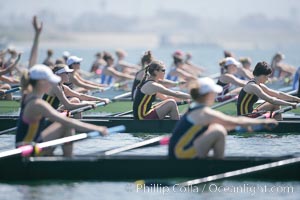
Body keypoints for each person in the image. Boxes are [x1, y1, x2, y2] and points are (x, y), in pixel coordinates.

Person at [169, 77, 277, 159]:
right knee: (218, 131)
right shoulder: (204, 112)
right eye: (213, 93)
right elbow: (235, 120)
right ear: (207, 94)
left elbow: (230, 124)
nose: (215, 95)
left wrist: (243, 127)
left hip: (178, 152)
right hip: (181, 155)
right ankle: (217, 166)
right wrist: (263, 122)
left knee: (217, 127)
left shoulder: (192, 108)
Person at [16, 64, 108, 157]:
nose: (51, 83)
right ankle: (67, 161)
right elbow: (66, 119)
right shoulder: (37, 104)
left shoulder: (27, 95)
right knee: (67, 125)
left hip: (30, 144)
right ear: (41, 82)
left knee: (67, 123)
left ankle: (57, 157)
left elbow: (80, 96)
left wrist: (100, 100)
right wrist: (97, 129)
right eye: (49, 81)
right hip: (26, 151)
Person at [43, 64, 110, 118]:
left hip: (54, 112)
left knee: (75, 100)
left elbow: (81, 96)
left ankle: (77, 122)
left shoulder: (63, 87)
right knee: (77, 106)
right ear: (58, 74)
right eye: (66, 73)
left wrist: (101, 100)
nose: (69, 75)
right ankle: (78, 125)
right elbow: (69, 106)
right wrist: (87, 104)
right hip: (46, 116)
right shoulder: (56, 87)